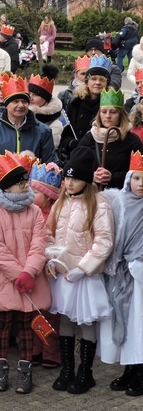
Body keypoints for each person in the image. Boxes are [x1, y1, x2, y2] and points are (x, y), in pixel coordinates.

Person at [46, 146, 113, 394]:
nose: (70, 183)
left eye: (75, 178)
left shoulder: (99, 205)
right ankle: (67, 370)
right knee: (64, 319)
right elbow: (48, 233)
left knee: (85, 322)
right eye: (67, 177)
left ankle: (86, 372)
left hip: (84, 276)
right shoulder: (59, 203)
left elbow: (104, 241)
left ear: (86, 180)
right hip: (63, 274)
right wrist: (51, 259)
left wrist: (84, 268)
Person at [0, 151, 51, 394]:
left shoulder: (33, 211)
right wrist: (17, 274)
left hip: (29, 279)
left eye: (26, 180)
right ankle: (0, 368)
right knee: (2, 325)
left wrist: (29, 272)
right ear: (6, 186)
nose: (25, 184)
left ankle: (25, 370)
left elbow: (40, 243)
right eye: (20, 181)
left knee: (26, 325)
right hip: (5, 279)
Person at [99, 151, 143, 396]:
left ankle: (140, 371)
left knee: (139, 324)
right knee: (126, 322)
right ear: (128, 180)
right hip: (122, 275)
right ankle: (129, 367)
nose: (141, 184)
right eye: (136, 178)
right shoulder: (120, 204)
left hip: (140, 275)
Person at [0, 75, 58, 199]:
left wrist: (39, 194)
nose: (20, 105)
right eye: (15, 101)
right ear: (6, 104)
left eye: (24, 101)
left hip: (33, 196)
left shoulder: (43, 131)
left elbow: (50, 164)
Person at [29, 161, 64, 370]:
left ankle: (52, 351)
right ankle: (35, 349)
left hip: (50, 270)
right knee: (34, 310)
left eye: (36, 191)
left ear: (49, 195)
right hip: (34, 269)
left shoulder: (56, 215)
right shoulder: (30, 213)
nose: (31, 194)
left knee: (50, 311)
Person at [74, 88, 143, 189]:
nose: (108, 116)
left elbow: (139, 172)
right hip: (92, 195)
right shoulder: (89, 137)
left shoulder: (132, 140)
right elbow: (74, 166)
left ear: (121, 115)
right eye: (104, 111)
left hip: (120, 195)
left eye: (113, 112)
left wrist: (113, 177)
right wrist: (92, 176)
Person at [28, 65, 64, 148]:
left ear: (46, 99)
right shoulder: (20, 113)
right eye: (29, 93)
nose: (30, 98)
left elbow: (48, 149)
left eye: (36, 95)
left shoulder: (55, 124)